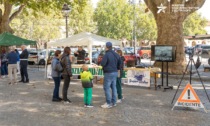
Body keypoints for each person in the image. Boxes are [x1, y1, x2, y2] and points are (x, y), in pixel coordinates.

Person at [100, 42, 121, 109]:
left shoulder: (106, 54)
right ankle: (114, 102)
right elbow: (120, 62)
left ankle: (108, 103)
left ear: (106, 47)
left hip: (108, 72)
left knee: (106, 87)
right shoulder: (116, 54)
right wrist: (117, 68)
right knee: (114, 87)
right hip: (115, 72)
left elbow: (103, 63)